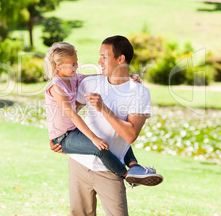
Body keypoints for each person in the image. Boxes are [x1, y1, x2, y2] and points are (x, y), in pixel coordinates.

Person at [50, 36, 163, 216]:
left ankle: (132, 169)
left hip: (109, 170)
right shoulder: (90, 83)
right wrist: (63, 139)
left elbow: (130, 135)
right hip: (79, 164)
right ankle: (134, 167)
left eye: (104, 57)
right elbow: (70, 112)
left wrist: (103, 108)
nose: (98, 62)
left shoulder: (139, 93)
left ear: (121, 59)